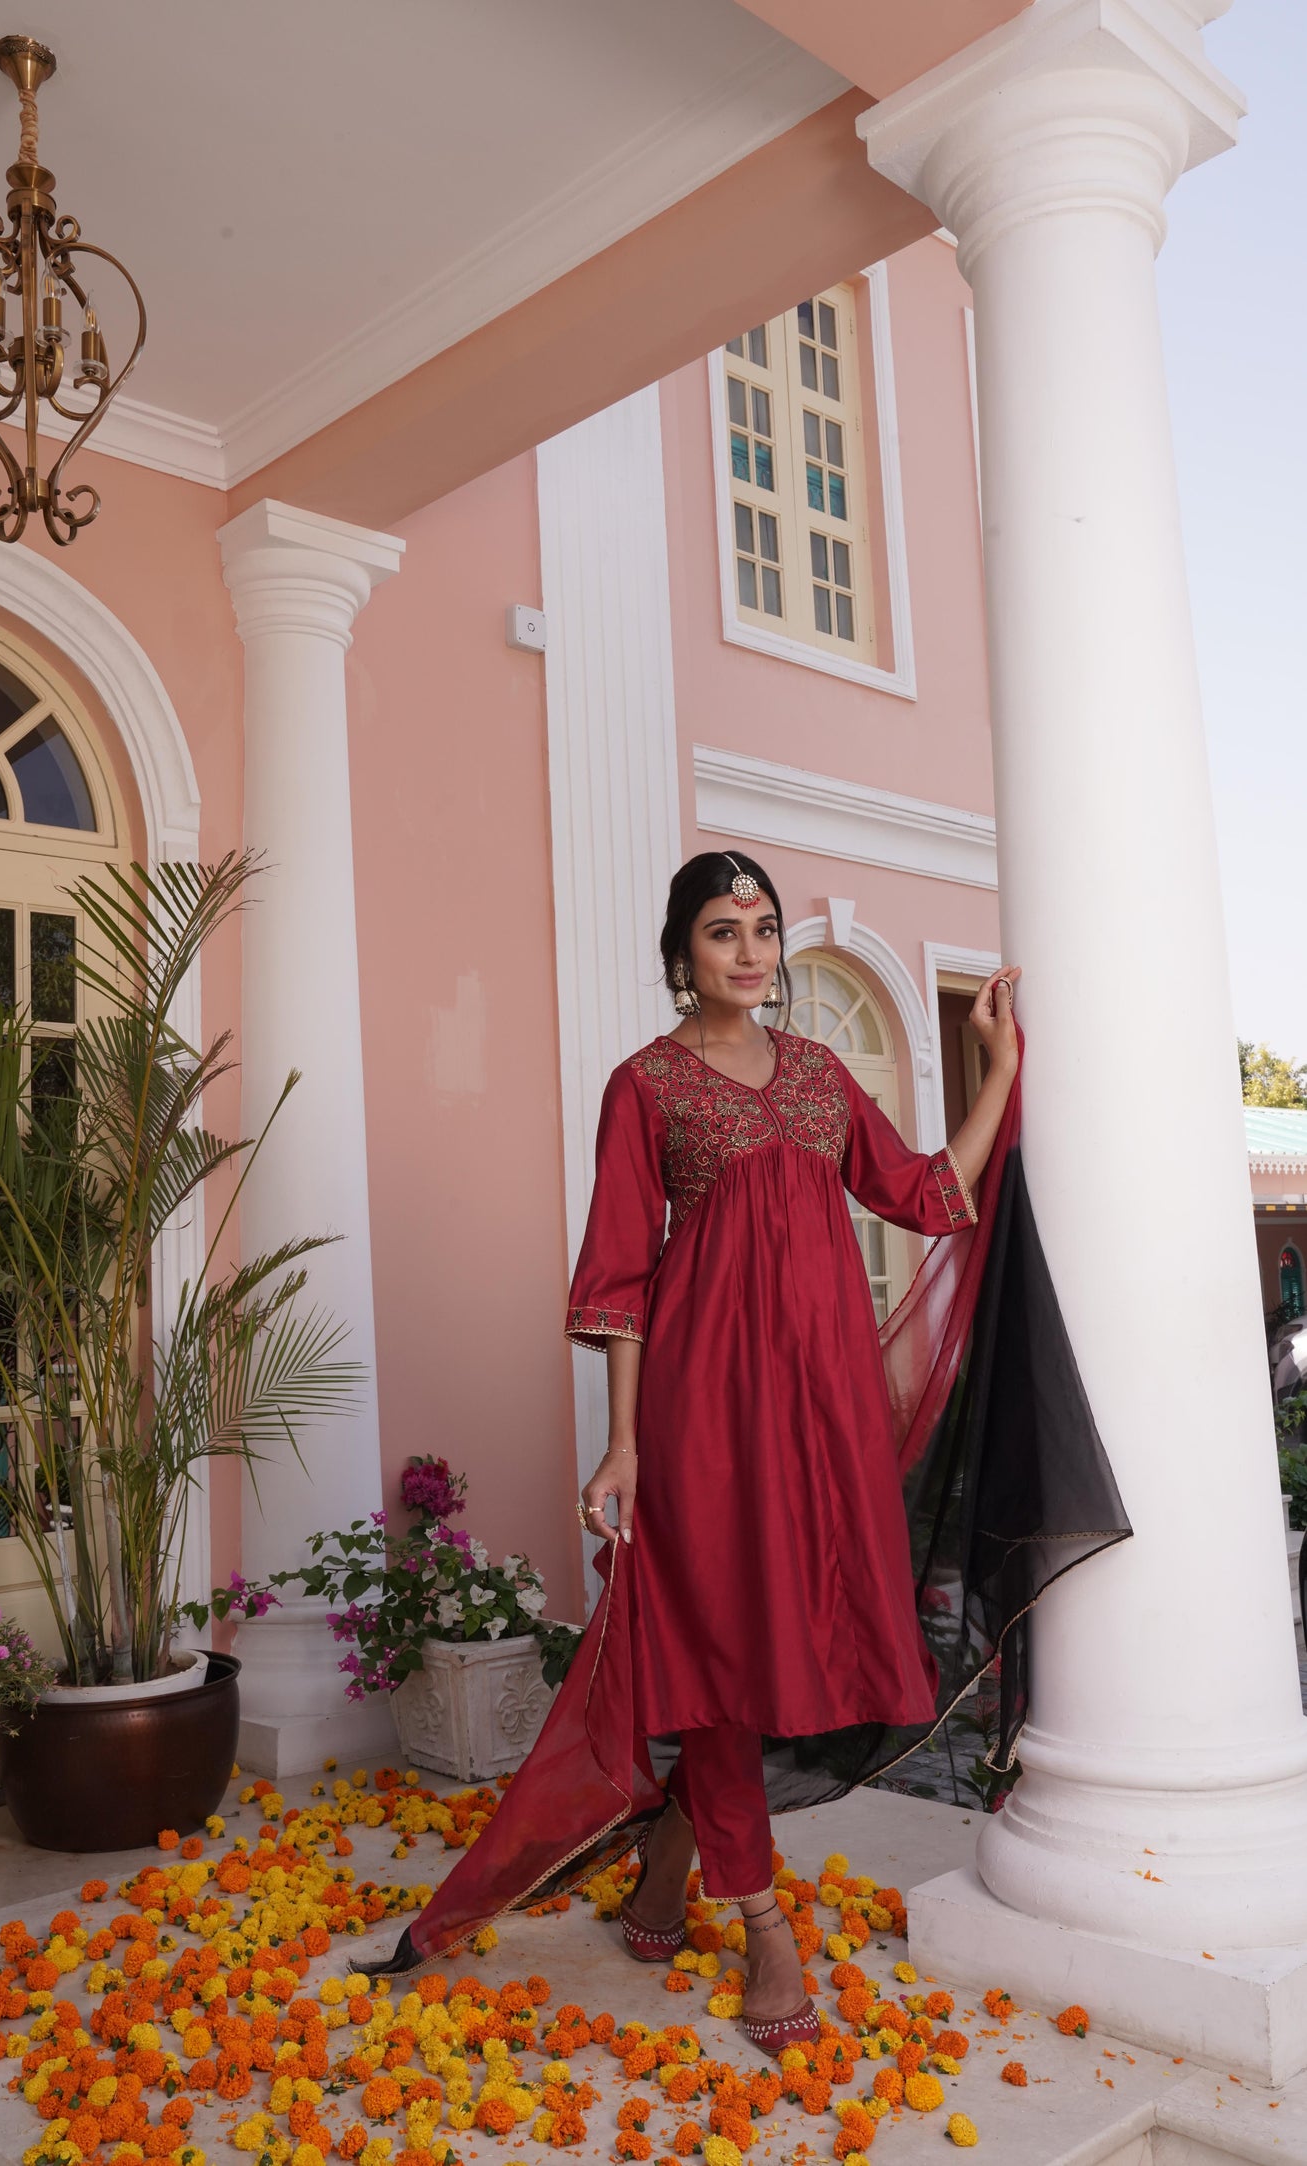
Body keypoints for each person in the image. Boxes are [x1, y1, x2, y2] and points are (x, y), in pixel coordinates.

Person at [368, 850, 1130, 2057]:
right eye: (723, 930)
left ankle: (668, 1869)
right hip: (700, 1406)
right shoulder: (647, 1086)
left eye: (764, 929)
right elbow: (616, 1276)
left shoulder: (824, 1077)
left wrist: (999, 1067)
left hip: (824, 1409)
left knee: (793, 1640)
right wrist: (621, 1447)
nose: (750, 951)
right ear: (682, 952)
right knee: (721, 1641)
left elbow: (929, 1196)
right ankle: (762, 1921)